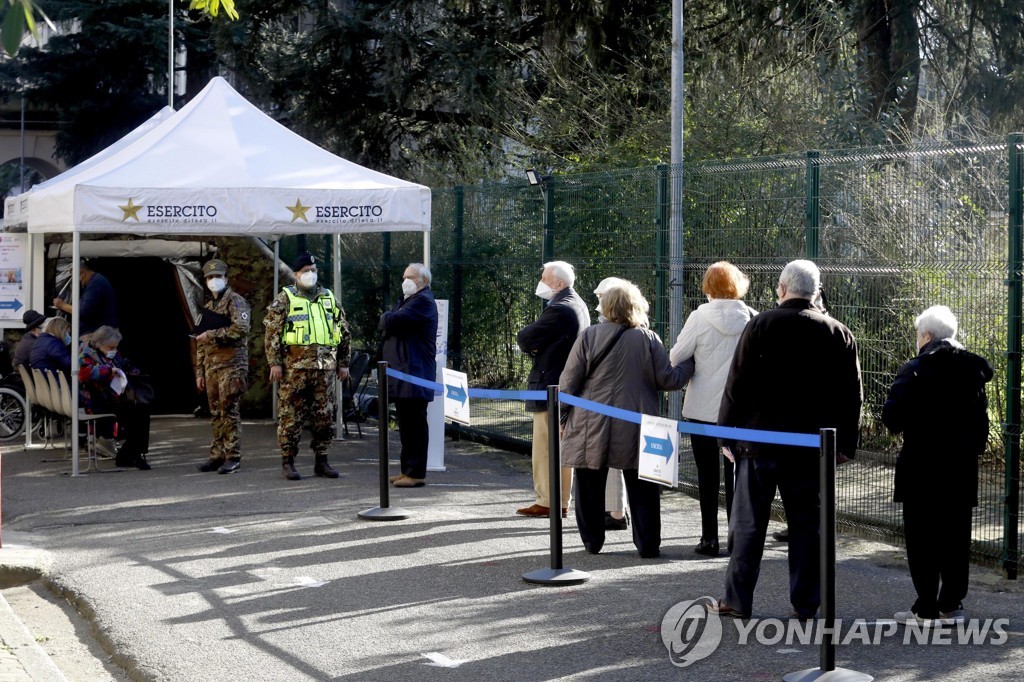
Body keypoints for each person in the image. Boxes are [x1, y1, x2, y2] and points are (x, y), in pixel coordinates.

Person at [712, 259, 862, 619]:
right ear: (816, 291)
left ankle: (737, 599)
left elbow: (737, 383)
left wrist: (725, 435)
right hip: (812, 448)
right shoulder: (838, 332)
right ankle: (807, 603)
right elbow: (851, 395)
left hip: (757, 442)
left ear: (781, 289)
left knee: (748, 526)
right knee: (808, 528)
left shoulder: (761, 324)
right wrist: (844, 446)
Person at [560, 281, 692, 558]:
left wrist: (563, 418)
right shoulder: (648, 338)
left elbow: (568, 382)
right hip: (637, 423)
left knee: (588, 484)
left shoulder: (589, 336)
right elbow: (668, 380)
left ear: (606, 308)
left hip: (590, 423)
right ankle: (647, 544)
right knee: (643, 485)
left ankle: (592, 542)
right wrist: (689, 363)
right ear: (637, 306)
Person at [882, 305, 992, 626]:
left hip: (921, 467)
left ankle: (925, 606)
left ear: (926, 336)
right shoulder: (972, 370)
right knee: (956, 536)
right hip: (960, 468)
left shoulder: (914, 369)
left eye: (918, 335)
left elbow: (892, 417)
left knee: (922, 537)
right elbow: (980, 422)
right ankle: (951, 603)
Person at [669, 261, 757, 557]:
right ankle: (736, 537)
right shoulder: (752, 318)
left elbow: (676, 355)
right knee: (736, 473)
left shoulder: (699, 317)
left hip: (703, 410)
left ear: (708, 286)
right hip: (741, 411)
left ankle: (709, 539)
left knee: (707, 475)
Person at [264, 253, 350, 481]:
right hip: (294, 369)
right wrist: (275, 363)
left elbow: (343, 332)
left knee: (325, 416)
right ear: (296, 274)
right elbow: (272, 333)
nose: (310, 274)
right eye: (305, 271)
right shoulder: (285, 298)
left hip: (325, 370)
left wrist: (343, 364)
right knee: (291, 416)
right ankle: (288, 462)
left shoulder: (329, 298)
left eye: (313, 270)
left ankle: (322, 461)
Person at [515, 261, 590, 518]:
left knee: (546, 447)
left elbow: (525, 338)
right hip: (566, 385)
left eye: (545, 277)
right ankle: (560, 500)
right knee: (560, 448)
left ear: (558, 283)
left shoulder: (560, 309)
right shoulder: (576, 304)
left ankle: (548, 500)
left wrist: (536, 345)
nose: (541, 281)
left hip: (551, 385)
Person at [380, 263, 439, 487]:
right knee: (406, 425)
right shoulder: (407, 300)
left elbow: (391, 321)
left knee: (414, 425)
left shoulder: (423, 301)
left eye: (411, 277)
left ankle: (415, 473)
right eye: (404, 276)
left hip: (415, 373)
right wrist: (390, 318)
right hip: (404, 374)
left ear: (423, 281)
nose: (406, 280)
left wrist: (388, 317)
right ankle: (407, 470)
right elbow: (390, 322)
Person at [195, 259, 251, 475]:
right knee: (216, 412)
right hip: (212, 368)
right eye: (210, 277)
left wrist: (213, 334)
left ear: (226, 278)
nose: (214, 280)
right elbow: (200, 341)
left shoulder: (236, 302)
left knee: (229, 410)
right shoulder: (209, 307)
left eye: (218, 276)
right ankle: (217, 454)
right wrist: (199, 371)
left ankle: (233, 456)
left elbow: (241, 329)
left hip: (232, 365)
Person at [79, 325, 153, 470]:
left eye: (115, 347)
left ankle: (133, 454)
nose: (113, 350)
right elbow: (83, 374)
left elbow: (124, 365)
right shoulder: (87, 354)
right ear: (100, 343)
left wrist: (130, 372)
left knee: (142, 409)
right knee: (135, 413)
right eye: (110, 347)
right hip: (97, 400)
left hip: (115, 397)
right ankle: (130, 455)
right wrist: (108, 371)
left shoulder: (113, 352)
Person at [593, 276, 632, 531]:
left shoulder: (603, 329)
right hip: (626, 401)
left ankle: (616, 512)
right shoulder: (639, 329)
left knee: (615, 462)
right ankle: (617, 510)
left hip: (609, 401)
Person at [53, 259, 118, 335]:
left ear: (82, 274)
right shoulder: (94, 282)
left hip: (97, 336)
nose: (77, 282)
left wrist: (62, 305)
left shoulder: (96, 284)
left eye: (76, 278)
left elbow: (82, 311)